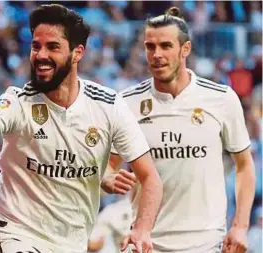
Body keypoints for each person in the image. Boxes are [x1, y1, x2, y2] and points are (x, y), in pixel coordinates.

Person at [0, 4, 163, 253]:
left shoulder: (108, 106)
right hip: (12, 235)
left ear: (77, 53)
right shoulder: (18, 102)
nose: (41, 55)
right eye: (36, 46)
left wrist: (141, 229)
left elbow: (150, 177)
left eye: (53, 47)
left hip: (69, 243)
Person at [103, 7, 256, 253]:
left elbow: (244, 165)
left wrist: (240, 226)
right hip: (146, 242)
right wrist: (108, 178)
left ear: (185, 49)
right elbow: (108, 166)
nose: (156, 54)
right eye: (150, 47)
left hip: (206, 243)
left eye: (165, 46)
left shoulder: (220, 98)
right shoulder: (126, 103)